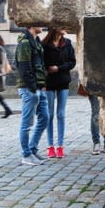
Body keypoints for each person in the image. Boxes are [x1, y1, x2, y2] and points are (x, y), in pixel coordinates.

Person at [16, 25, 49, 165]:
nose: (42, 26)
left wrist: (41, 85)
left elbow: (39, 65)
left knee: (45, 118)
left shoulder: (36, 42)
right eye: (39, 23)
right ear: (31, 25)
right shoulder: (25, 43)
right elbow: (24, 68)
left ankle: (32, 149)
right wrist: (33, 88)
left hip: (38, 88)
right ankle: (26, 154)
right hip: (29, 88)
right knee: (27, 123)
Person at [42, 28, 76, 159]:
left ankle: (60, 146)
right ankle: (50, 146)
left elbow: (72, 62)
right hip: (49, 83)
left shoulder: (67, 43)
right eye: (62, 26)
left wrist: (59, 68)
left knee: (61, 114)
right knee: (49, 115)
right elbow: (41, 63)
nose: (65, 28)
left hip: (63, 82)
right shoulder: (45, 45)